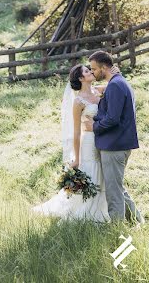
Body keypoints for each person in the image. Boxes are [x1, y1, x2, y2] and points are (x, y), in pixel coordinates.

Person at [31, 64, 111, 222]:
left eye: (90, 70)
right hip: (88, 141)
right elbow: (76, 131)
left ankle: (104, 207)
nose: (91, 72)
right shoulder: (78, 102)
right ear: (81, 78)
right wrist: (77, 159)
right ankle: (88, 210)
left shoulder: (99, 90)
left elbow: (114, 84)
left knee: (102, 172)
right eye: (87, 71)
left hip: (103, 139)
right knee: (92, 171)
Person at [83, 50, 144, 224]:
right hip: (118, 144)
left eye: (94, 69)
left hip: (114, 146)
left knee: (113, 190)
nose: (93, 73)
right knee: (118, 187)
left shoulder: (116, 85)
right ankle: (137, 221)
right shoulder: (117, 83)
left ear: (104, 67)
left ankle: (117, 227)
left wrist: (93, 126)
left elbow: (113, 118)